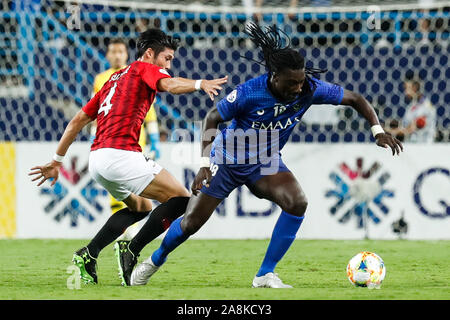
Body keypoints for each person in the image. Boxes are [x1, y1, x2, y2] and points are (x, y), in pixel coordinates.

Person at [118, 23, 403, 288]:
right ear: (274, 77)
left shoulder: (309, 90)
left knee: (297, 202)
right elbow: (211, 118)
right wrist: (205, 164)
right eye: (292, 83)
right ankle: (154, 261)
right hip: (226, 160)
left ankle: (265, 273)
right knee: (191, 223)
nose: (299, 89)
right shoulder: (250, 92)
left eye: (301, 82)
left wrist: (377, 130)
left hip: (264, 161)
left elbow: (355, 99)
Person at [28, 28, 228, 284]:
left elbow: (77, 121)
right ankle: (132, 251)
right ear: (149, 53)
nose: (168, 65)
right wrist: (200, 84)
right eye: (166, 59)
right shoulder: (144, 68)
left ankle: (89, 253)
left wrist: (57, 160)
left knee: (141, 207)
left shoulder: (112, 80)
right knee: (180, 198)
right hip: (121, 155)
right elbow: (170, 84)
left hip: (98, 160)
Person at [92, 38, 163, 238]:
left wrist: (155, 139)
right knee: (120, 194)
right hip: (109, 143)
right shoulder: (100, 79)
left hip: (135, 145)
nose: (116, 55)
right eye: (113, 52)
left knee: (138, 192)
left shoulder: (137, 73)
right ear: (107, 55)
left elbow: (149, 112)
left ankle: (129, 235)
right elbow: (97, 111)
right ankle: (127, 236)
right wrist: (93, 136)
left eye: (120, 52)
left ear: (126, 54)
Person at [386, 77, 436, 143]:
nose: (405, 92)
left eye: (406, 88)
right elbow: (405, 125)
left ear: (415, 87)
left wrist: (390, 131)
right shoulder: (411, 106)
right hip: (411, 146)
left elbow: (411, 129)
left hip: (424, 147)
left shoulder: (426, 107)